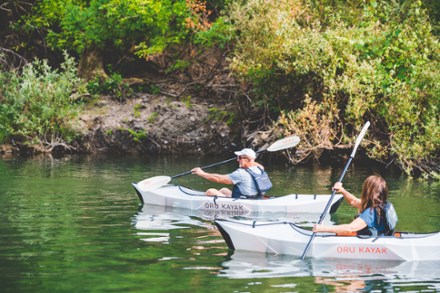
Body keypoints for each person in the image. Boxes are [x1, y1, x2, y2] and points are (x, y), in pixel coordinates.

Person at [313, 175, 397, 236]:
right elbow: (353, 201)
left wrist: (322, 228)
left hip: (371, 246)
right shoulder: (381, 205)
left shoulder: (370, 213)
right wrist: (342, 190)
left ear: (367, 191)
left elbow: (349, 229)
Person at [191, 148, 272, 198]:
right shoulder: (259, 168)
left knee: (210, 191)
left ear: (247, 160)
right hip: (255, 197)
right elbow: (254, 163)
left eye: (239, 158)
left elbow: (219, 179)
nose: (237, 160)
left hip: (243, 201)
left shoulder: (241, 173)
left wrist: (202, 173)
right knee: (224, 190)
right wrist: (250, 160)